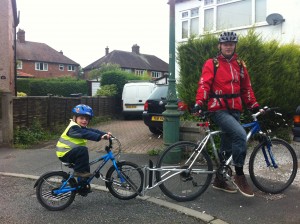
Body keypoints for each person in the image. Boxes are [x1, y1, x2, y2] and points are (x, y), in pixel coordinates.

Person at [195, 31, 262, 197]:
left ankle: (219, 180)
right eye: (225, 44)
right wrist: (199, 102)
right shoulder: (213, 63)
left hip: (235, 109)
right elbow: (204, 84)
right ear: (220, 46)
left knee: (227, 146)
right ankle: (239, 175)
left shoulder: (240, 65)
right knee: (240, 135)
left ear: (234, 46)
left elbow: (246, 88)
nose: (228, 46)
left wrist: (254, 106)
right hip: (218, 109)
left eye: (231, 44)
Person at [56, 104, 111, 178]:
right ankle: (79, 172)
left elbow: (92, 130)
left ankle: (83, 186)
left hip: (72, 152)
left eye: (87, 119)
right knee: (82, 150)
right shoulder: (73, 128)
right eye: (81, 118)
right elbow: (86, 134)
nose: (84, 120)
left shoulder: (80, 127)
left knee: (85, 168)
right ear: (75, 118)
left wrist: (105, 134)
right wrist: (99, 137)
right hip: (65, 153)